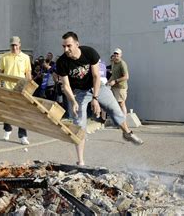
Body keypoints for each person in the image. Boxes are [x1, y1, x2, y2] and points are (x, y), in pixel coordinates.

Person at [55, 32, 143, 166]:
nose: (66, 49)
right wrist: (72, 101)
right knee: (79, 126)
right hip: (79, 93)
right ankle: (81, 161)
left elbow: (96, 76)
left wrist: (95, 98)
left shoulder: (89, 52)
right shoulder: (62, 62)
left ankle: (127, 133)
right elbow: (66, 85)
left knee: (115, 108)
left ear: (77, 44)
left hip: (97, 87)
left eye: (69, 46)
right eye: (63, 46)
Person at [0, 36, 32, 145]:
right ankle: (7, 129)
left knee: (21, 112)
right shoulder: (4, 57)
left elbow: (28, 73)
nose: (14, 47)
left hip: (20, 88)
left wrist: (29, 86)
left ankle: (23, 135)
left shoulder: (25, 57)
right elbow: (0, 72)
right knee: (6, 110)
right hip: (7, 87)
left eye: (16, 45)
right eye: (12, 45)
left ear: (19, 44)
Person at [108, 48, 129, 116]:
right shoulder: (113, 63)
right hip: (114, 87)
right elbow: (113, 75)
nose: (116, 56)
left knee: (121, 103)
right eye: (115, 54)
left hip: (121, 87)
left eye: (118, 54)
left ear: (121, 55)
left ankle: (123, 121)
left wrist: (115, 81)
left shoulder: (122, 64)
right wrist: (108, 82)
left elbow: (126, 77)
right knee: (115, 104)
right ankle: (118, 121)